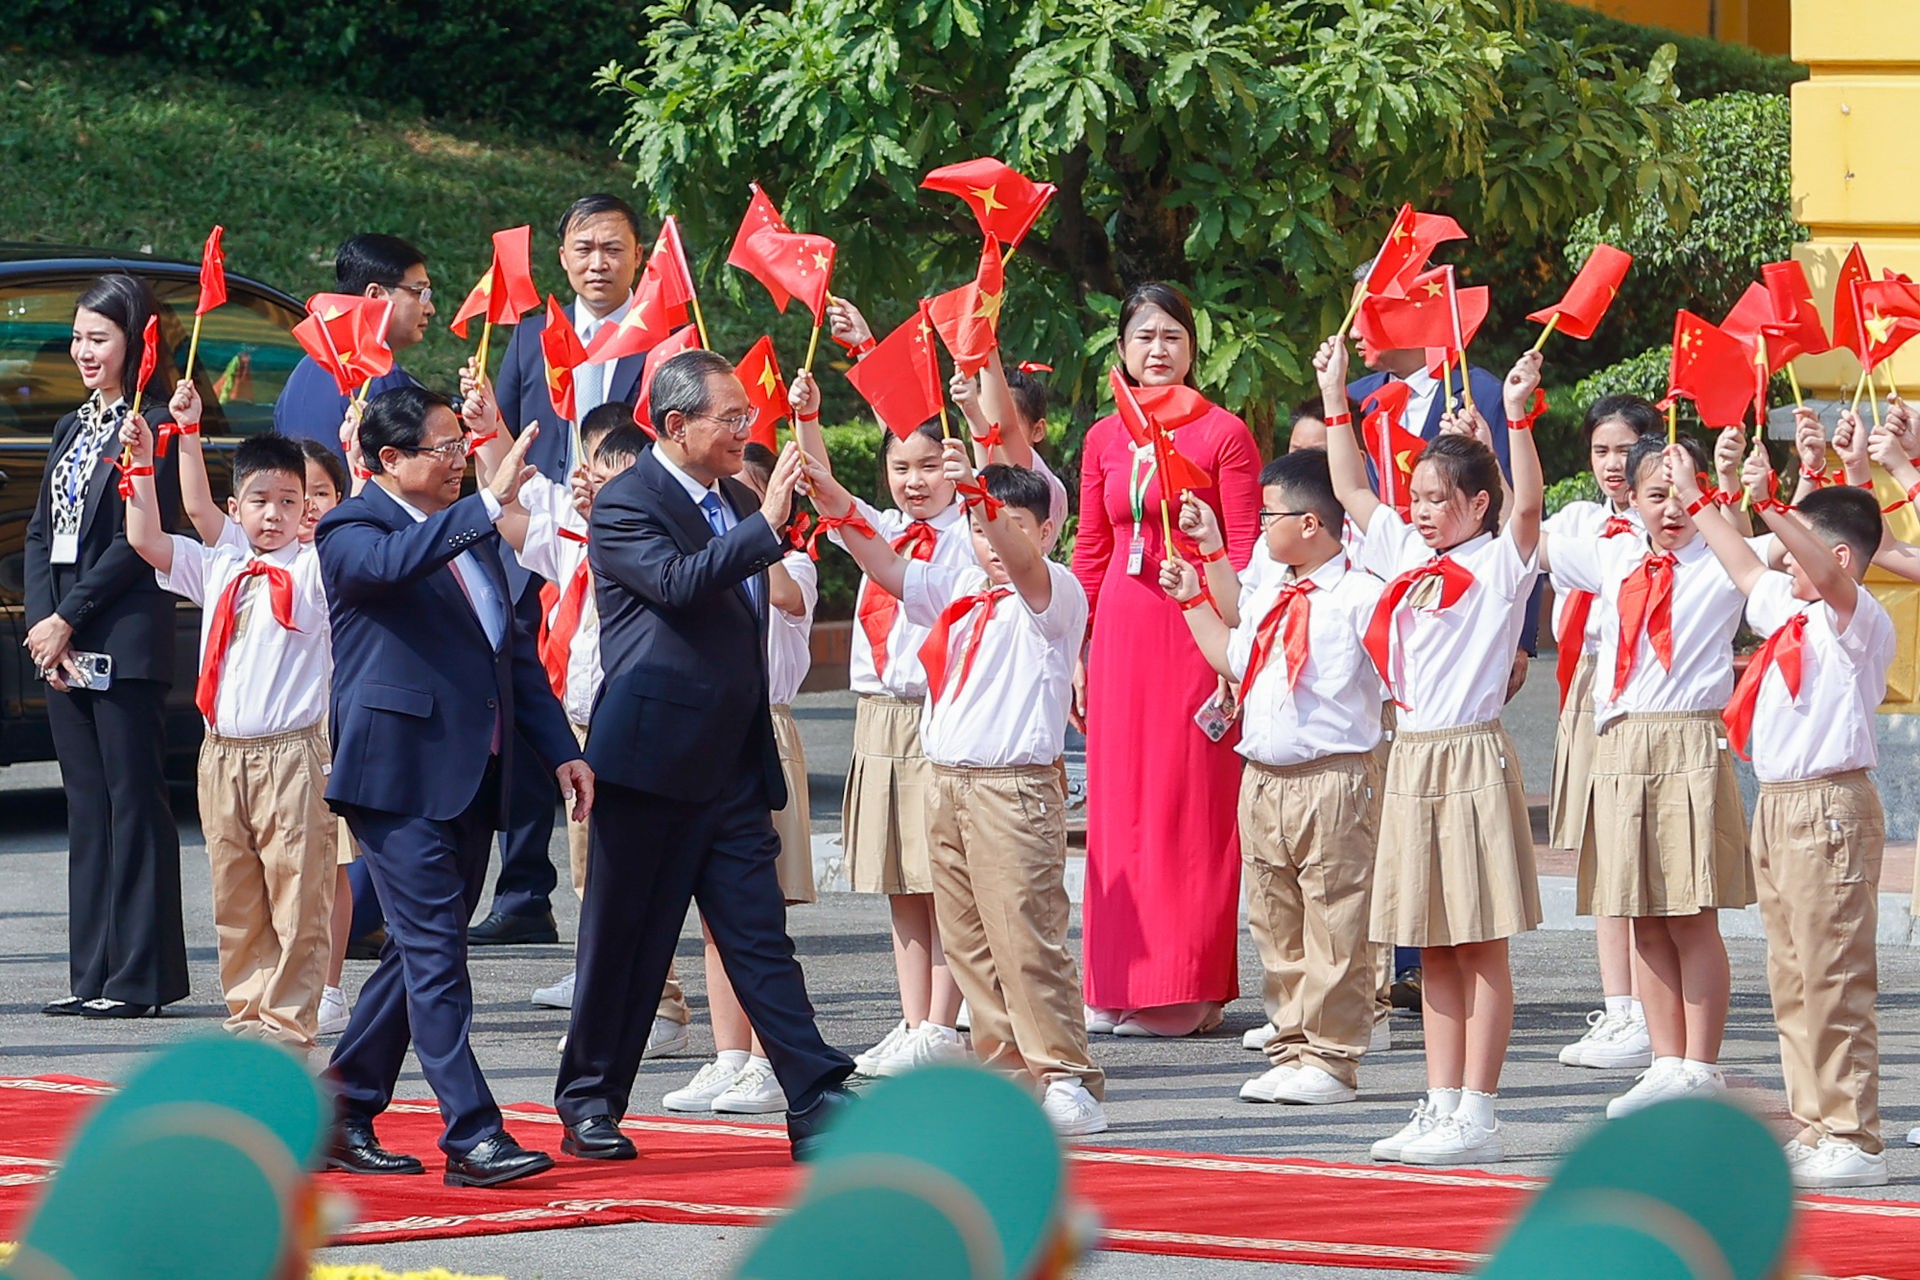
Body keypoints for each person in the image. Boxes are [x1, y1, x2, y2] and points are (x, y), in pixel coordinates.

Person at [555, 349, 853, 1163]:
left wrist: (761, 516)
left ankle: (817, 1095)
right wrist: (766, 523)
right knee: (626, 942)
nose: (744, 432)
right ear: (676, 425)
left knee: (758, 938)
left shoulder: (734, 498)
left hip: (730, 764)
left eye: (747, 418)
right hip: (648, 762)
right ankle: (589, 1102)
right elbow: (679, 583)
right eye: (731, 419)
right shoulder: (625, 503)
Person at [317, 386, 592, 1187]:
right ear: (389, 460)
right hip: (397, 778)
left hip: (478, 774)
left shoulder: (463, 535)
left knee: (414, 953)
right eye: (441, 449)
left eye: (458, 446)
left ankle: (340, 1106)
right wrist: (488, 502)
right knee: (438, 957)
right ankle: (473, 1135)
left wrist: (560, 750)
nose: (458, 460)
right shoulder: (352, 528)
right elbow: (393, 565)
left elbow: (511, 655)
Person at [812, 443, 1106, 1136]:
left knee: (1026, 940)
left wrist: (980, 497)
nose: (992, 542)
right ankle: (1005, 1077)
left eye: (1008, 527)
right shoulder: (961, 587)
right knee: (970, 944)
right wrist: (831, 497)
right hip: (945, 783)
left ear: (1045, 531)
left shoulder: (1054, 591)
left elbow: (1020, 557)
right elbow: (883, 563)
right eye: (977, 529)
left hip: (1013, 789)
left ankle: (1066, 1076)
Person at [1320, 334, 1545, 1165]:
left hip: (1468, 755)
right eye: (1413, 494)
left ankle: (1480, 1111)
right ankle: (1440, 1101)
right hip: (1410, 756)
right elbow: (1348, 485)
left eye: (1438, 498)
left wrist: (1515, 422)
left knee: (1478, 941)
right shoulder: (1408, 552)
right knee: (1433, 941)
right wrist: (1335, 392)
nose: (1417, 508)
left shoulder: (1500, 563)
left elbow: (1528, 509)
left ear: (1477, 506)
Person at [1670, 451, 1894, 1190]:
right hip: (1779, 801)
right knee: (1792, 976)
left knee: (1833, 976)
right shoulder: (1791, 612)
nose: (1781, 563)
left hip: (1830, 804)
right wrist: (1699, 495)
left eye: (1795, 546)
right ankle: (1818, 1121)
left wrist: (1771, 506)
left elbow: (1826, 577)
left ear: (1831, 554)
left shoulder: (1856, 618)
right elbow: (1738, 567)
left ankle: (1855, 1134)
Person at [1161, 451, 1388, 1106]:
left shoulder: (1360, 595)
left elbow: (1399, 677)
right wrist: (1191, 601)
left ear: (1312, 523)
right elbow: (1232, 658)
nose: (1261, 527)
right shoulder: (1271, 595)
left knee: (1337, 922)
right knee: (1274, 921)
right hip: (1262, 777)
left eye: (1270, 516)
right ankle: (1291, 1046)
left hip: (1333, 778)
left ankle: (1333, 1058)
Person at [1538, 432, 1752, 1122]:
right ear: (1629, 497)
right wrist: (1508, 430)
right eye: (1656, 495)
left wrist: (1715, 486)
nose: (1671, 510)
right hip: (1622, 744)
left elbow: (1751, 549)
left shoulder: (1720, 563)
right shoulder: (1614, 551)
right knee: (1644, 917)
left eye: (1681, 496)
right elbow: (1519, 524)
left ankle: (1701, 1064)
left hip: (1686, 740)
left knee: (1691, 914)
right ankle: (1664, 1060)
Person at [1069, 282, 1262, 1038]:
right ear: (1122, 349)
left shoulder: (1224, 433)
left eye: (1172, 337)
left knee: (1190, 804)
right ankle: (1118, 977)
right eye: (1144, 336)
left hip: (1195, 628)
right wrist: (1075, 649)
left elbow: (1243, 547)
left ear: (1193, 347)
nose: (1158, 350)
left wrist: (1231, 645)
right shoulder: (1103, 439)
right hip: (1120, 629)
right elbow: (1089, 551)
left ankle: (1189, 985)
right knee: (1119, 806)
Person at [797, 306, 975, 1077]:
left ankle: (945, 1024)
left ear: (956, 468)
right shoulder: (882, 528)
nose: (915, 480)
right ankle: (911, 1021)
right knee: (900, 878)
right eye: (901, 468)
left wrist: (872, 355)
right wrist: (807, 419)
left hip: (943, 716)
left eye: (929, 466)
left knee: (947, 877)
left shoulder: (973, 532)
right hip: (880, 721)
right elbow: (825, 491)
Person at [470, 194, 651, 949]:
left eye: (612, 248)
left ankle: (615, 896)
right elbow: (507, 438)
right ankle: (522, 889)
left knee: (600, 714)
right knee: (520, 719)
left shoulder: (663, 336)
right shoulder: (532, 335)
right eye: (584, 249)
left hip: (623, 550)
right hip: (537, 545)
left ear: (637, 255)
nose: (598, 263)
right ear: (564, 257)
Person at [119, 422, 335, 1051]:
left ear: (307, 510)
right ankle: (246, 1023)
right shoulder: (220, 566)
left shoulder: (316, 569)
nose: (275, 514)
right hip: (222, 756)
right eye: (261, 501)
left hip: (292, 753)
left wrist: (349, 451)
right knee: (236, 900)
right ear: (235, 508)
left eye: (290, 502)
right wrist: (139, 462)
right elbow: (147, 536)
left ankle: (291, 1033)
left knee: (297, 901)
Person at [25, 273, 188, 1020]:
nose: (83, 350)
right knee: (87, 808)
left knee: (134, 802)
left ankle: (140, 980)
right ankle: (89, 974)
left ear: (136, 342)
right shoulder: (72, 426)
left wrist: (73, 618)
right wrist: (43, 623)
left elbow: (139, 545)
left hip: (121, 634)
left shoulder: (152, 425)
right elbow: (39, 534)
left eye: (99, 338)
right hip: (61, 636)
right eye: (78, 337)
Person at [663, 440, 822, 1115]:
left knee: (763, 910)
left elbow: (781, 594)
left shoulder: (795, 564)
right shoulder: (704, 564)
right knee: (713, 914)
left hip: (767, 730)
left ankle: (768, 1059)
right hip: (709, 733)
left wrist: (761, 532)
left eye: (751, 497)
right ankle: (729, 1054)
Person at [1544, 395, 1658, 1073]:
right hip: (1588, 683)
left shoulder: (1666, 528)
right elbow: (1518, 526)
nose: (1613, 464)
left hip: (1642, 689)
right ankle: (1620, 1010)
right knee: (1598, 852)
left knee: (1637, 854)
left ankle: (1648, 1010)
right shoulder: (1583, 521)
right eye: (1601, 451)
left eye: (1626, 448)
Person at [273, 234, 431, 457]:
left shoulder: (305, 368)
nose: (429, 308)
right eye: (419, 293)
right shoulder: (381, 375)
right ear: (375, 295)